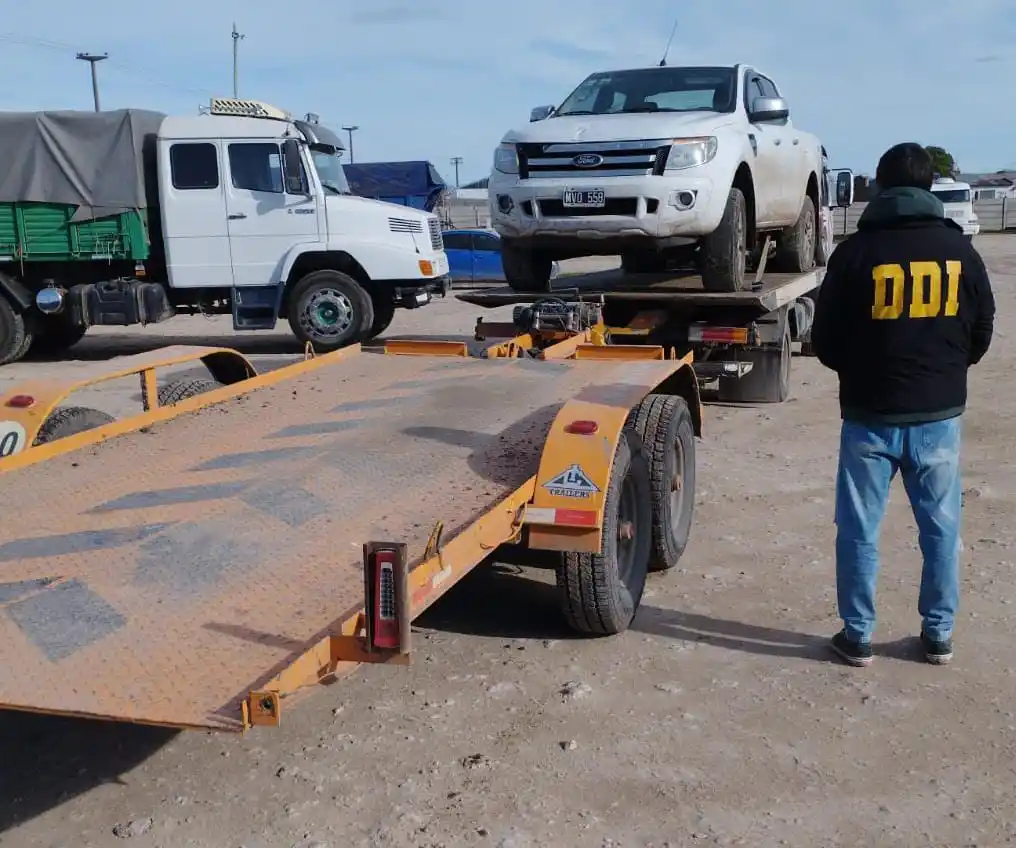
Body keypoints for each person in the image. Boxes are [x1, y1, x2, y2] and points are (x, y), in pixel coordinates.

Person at [811, 142, 995, 667]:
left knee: (859, 529)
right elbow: (981, 331)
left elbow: (824, 341)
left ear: (880, 187)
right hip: (939, 419)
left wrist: (860, 372)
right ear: (932, 188)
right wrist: (946, 372)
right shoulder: (962, 253)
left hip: (869, 417)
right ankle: (938, 635)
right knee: (941, 529)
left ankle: (858, 636)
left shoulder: (854, 253)